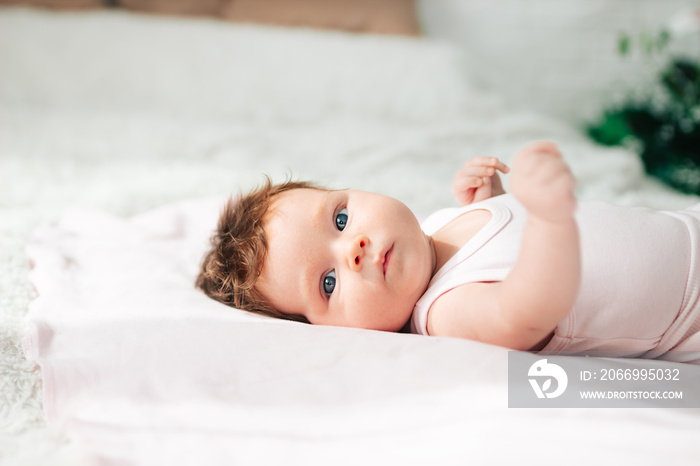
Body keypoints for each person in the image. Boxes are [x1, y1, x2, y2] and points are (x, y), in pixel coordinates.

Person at [196, 141, 700, 363]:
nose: (355, 248)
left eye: (341, 219)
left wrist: (495, 203)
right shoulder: (445, 311)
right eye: (328, 283)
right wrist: (548, 223)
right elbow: (523, 310)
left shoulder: (435, 227)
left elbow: (499, 248)